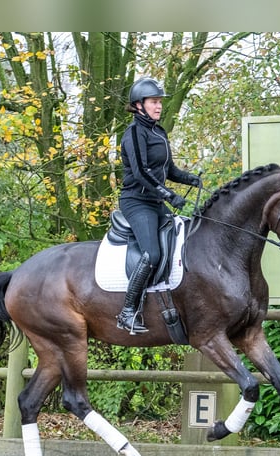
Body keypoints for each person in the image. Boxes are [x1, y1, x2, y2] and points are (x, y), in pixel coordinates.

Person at [116, 77, 201, 334]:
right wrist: (169, 195)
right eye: (154, 102)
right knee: (151, 254)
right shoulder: (133, 133)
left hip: (154, 200)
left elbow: (168, 169)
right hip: (137, 201)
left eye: (160, 102)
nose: (159, 106)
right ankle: (128, 311)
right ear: (139, 105)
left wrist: (189, 178)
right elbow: (141, 173)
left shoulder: (158, 132)